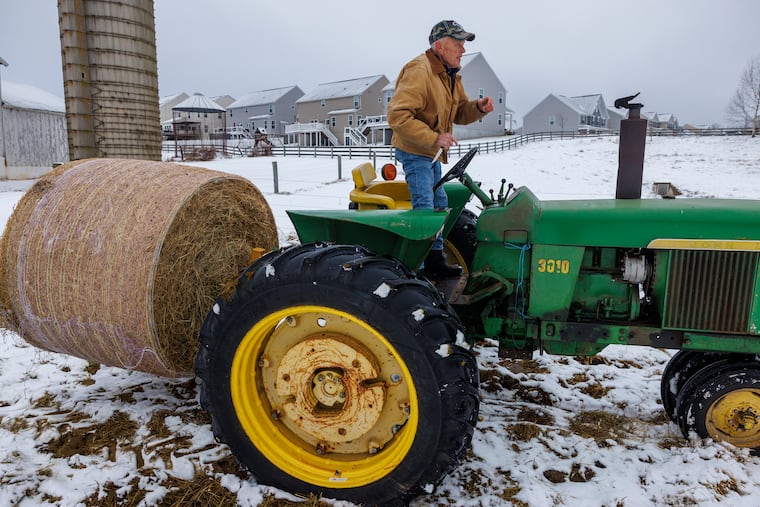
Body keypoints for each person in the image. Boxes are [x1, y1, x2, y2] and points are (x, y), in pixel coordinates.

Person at [388, 19, 494, 277]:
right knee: (424, 206)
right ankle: (418, 268)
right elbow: (398, 116)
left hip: (431, 153)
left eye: (462, 44)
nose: (462, 49)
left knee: (439, 203)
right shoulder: (419, 70)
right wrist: (433, 138)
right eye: (457, 43)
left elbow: (458, 112)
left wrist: (477, 108)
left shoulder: (449, 76)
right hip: (416, 151)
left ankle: (435, 259)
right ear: (439, 45)